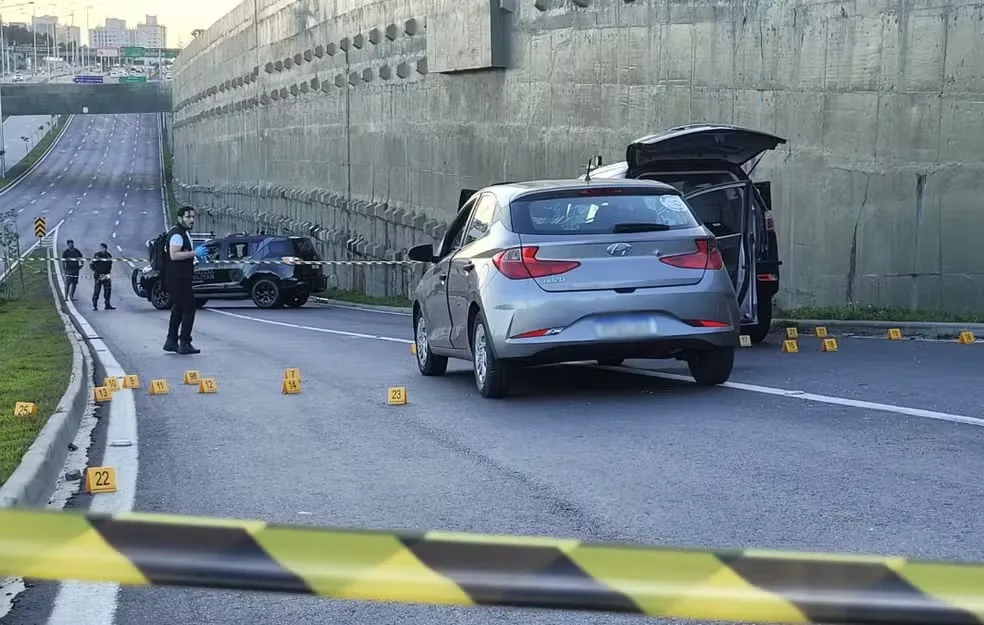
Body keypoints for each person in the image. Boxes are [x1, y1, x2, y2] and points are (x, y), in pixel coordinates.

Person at [163, 206, 207, 354]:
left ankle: (171, 341)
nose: (191, 220)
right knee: (189, 307)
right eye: (188, 217)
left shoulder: (184, 233)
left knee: (178, 308)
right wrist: (195, 253)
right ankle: (185, 342)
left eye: (193, 217)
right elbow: (174, 255)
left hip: (180, 277)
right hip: (178, 278)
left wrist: (194, 257)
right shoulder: (177, 234)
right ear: (180, 218)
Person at [90, 243, 115, 310]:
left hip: (106, 275)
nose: (101, 249)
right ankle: (94, 305)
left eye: (102, 248)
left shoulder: (108, 255)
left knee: (108, 290)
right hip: (98, 275)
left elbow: (110, 264)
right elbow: (91, 264)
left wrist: (108, 271)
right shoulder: (97, 255)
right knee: (97, 290)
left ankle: (107, 304)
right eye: (100, 248)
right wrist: (96, 271)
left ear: (105, 248)